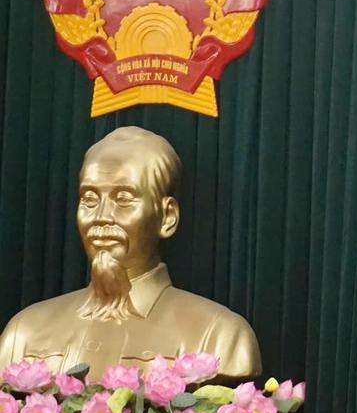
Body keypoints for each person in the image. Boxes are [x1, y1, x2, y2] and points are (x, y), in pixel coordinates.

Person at [0, 127, 259, 381]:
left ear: (167, 217)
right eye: (89, 199)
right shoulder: (23, 334)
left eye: (123, 199)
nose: (101, 216)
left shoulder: (218, 336)